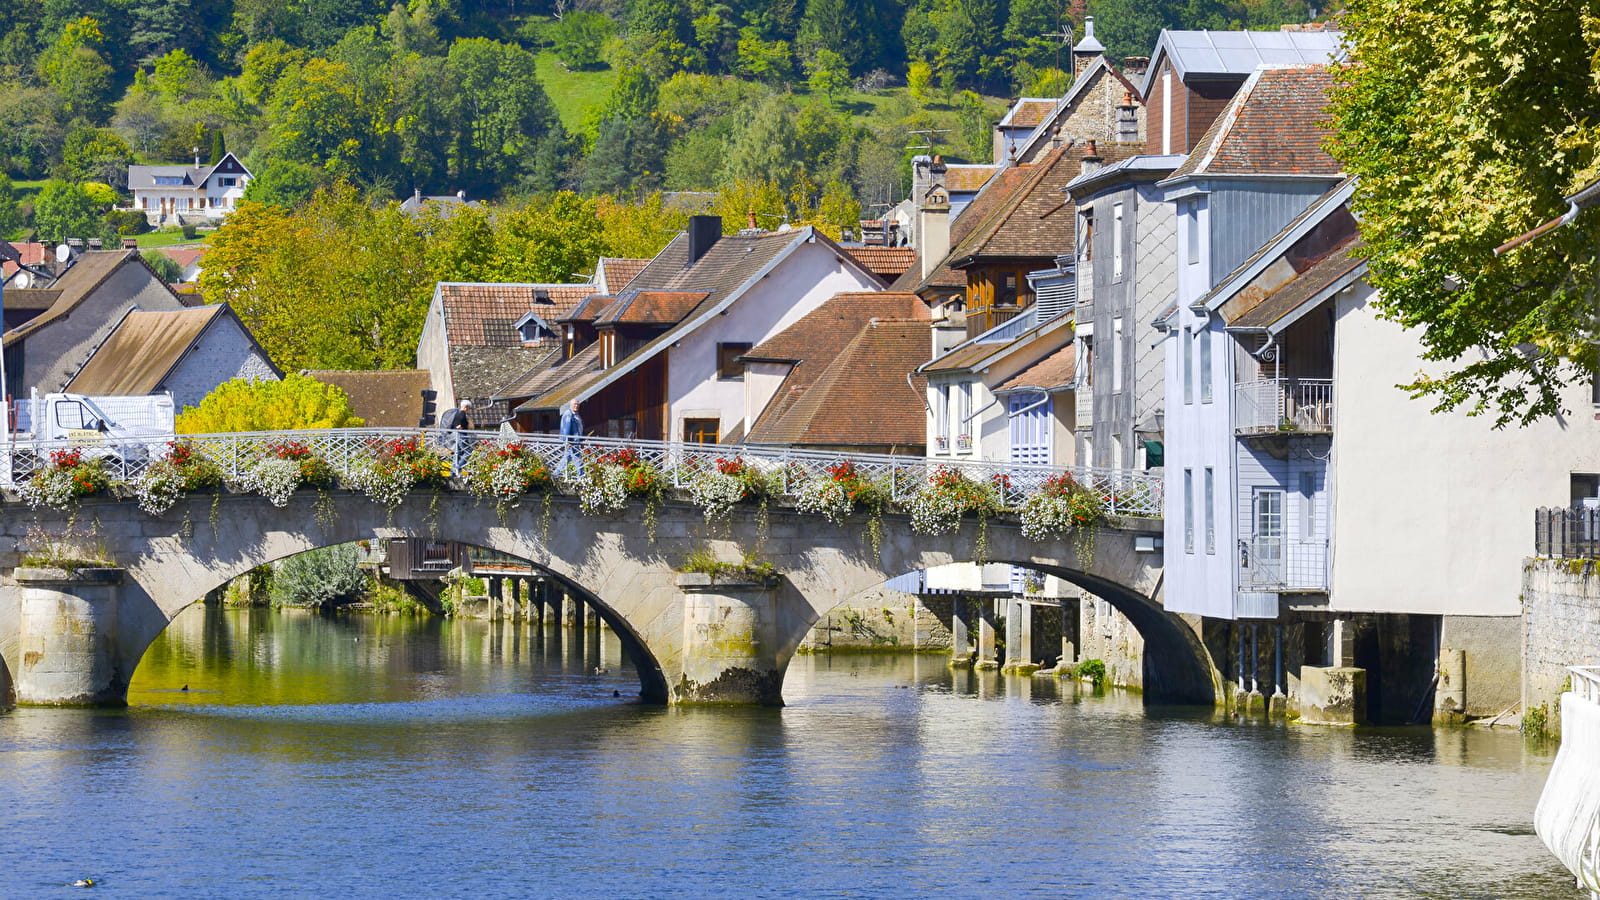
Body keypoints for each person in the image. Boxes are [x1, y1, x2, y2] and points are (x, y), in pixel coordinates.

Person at [440, 399, 472, 471]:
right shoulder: (462, 414)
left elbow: (452, 425)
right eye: (468, 408)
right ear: (465, 407)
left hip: (455, 435)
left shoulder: (456, 413)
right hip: (461, 435)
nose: (468, 410)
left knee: (457, 452)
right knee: (467, 452)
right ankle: (458, 467)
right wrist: (460, 426)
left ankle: (453, 471)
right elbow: (460, 424)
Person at [559, 398, 583, 475]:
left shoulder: (577, 415)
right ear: (571, 405)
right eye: (574, 404)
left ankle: (556, 474)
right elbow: (566, 429)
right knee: (577, 458)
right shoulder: (568, 414)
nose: (576, 406)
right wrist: (567, 441)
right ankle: (581, 475)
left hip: (576, 441)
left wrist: (582, 440)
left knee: (567, 458)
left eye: (577, 404)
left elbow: (580, 427)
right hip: (572, 441)